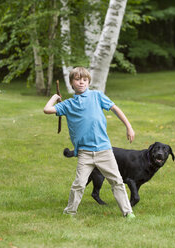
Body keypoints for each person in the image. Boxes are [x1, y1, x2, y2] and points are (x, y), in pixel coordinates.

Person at [43, 67, 136, 219]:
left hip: (104, 150)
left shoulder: (97, 96)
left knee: (117, 181)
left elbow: (115, 109)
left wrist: (129, 126)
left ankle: (128, 212)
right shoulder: (68, 104)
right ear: (71, 83)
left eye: (85, 80)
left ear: (88, 82)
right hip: (85, 152)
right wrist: (54, 97)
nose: (81, 82)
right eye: (77, 80)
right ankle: (70, 212)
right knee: (79, 184)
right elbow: (47, 109)